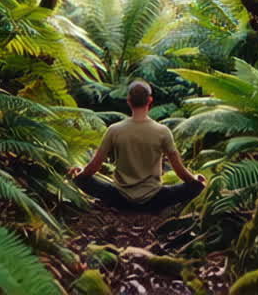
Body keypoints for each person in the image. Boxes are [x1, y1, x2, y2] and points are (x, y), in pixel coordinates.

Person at [68, 80, 205, 211]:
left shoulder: (114, 130)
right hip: (156, 199)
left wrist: (80, 174)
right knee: (195, 187)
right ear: (150, 100)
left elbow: (95, 165)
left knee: (81, 180)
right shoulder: (162, 131)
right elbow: (179, 170)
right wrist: (195, 182)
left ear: (128, 101)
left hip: (119, 198)